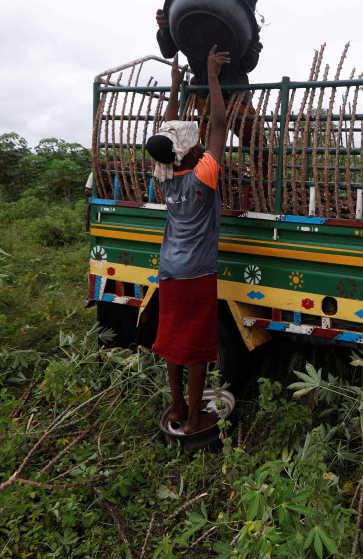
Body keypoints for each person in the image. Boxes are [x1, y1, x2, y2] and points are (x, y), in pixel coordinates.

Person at [144, 46, 230, 435]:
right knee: (195, 349)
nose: (199, 141)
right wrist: (211, 77)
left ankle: (177, 407)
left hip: (169, 270)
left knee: (174, 341)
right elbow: (219, 124)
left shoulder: (165, 176)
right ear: (190, 150)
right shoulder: (203, 175)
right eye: (193, 140)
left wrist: (176, 86)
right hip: (196, 274)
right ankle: (196, 418)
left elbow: (166, 136)